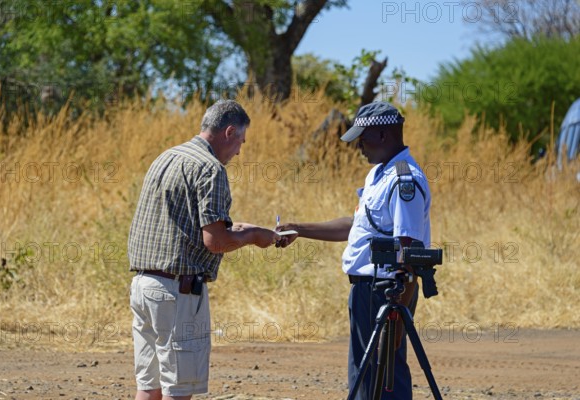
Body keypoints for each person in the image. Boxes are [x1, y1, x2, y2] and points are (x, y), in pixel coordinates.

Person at [127, 99, 281, 400]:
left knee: (149, 386)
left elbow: (188, 226)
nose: (239, 151)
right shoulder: (211, 168)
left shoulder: (167, 156)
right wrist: (253, 237)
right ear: (229, 132)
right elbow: (216, 242)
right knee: (178, 388)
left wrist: (245, 230)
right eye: (241, 141)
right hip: (177, 292)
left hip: (143, 287)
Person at [277, 101, 432, 400]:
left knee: (386, 376)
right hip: (366, 289)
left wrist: (399, 312)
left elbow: (408, 249)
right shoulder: (379, 174)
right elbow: (356, 226)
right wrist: (300, 228)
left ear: (384, 135)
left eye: (363, 138)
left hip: (386, 291)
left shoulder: (404, 179)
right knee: (363, 374)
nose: (359, 147)